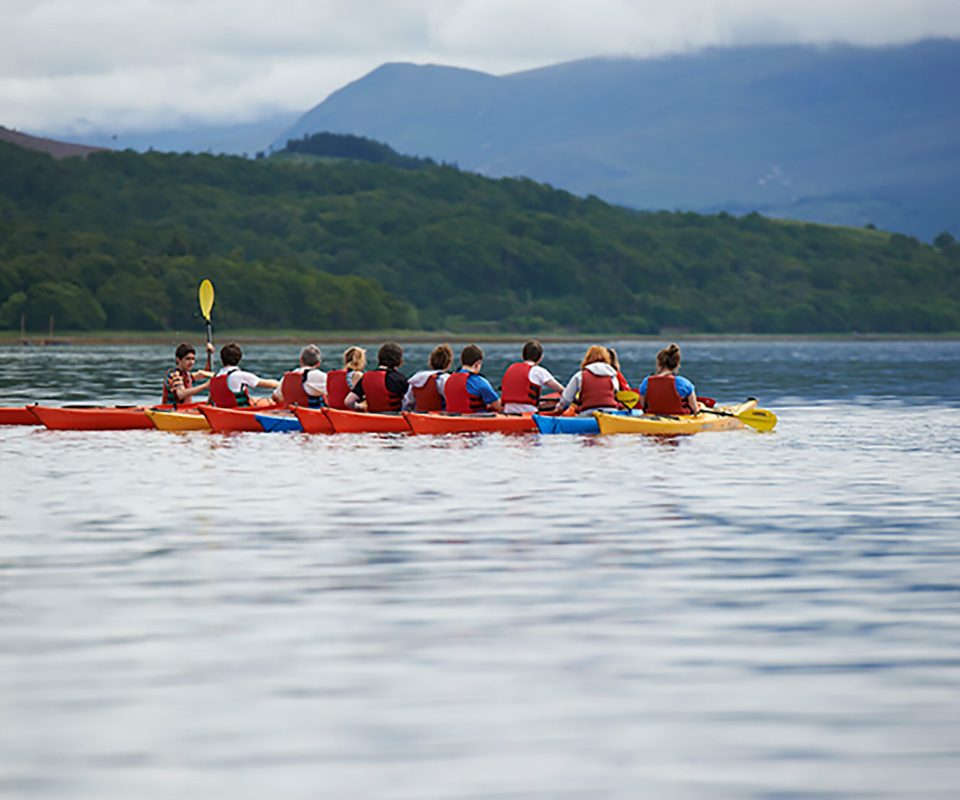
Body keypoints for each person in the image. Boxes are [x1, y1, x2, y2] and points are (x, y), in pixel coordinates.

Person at [500, 339, 565, 415]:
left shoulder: (510, 368)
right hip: (528, 412)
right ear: (540, 358)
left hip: (508, 411)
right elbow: (562, 390)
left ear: (523, 356)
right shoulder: (538, 370)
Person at [208, 342, 280, 408]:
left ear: (222, 358)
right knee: (271, 402)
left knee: (254, 400)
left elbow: (210, 401)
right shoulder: (239, 375)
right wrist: (282, 384)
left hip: (221, 413)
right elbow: (271, 384)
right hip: (239, 412)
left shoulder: (215, 377)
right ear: (239, 358)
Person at [558, 345, 622, 415]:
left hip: (588, 413)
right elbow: (616, 394)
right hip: (611, 413)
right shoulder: (612, 375)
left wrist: (559, 407)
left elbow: (566, 399)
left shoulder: (579, 375)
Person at [638, 343, 700, 415]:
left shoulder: (646, 382)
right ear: (676, 365)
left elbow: (642, 405)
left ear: (658, 363)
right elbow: (695, 409)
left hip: (653, 419)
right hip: (678, 420)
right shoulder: (684, 383)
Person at [345, 342, 408, 412]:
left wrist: (359, 406)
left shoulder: (366, 377)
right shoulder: (400, 379)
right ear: (399, 360)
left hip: (372, 418)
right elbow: (410, 402)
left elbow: (348, 402)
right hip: (395, 419)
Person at [444, 344, 502, 414]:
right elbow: (498, 406)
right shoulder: (480, 381)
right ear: (477, 363)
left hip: (452, 419)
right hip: (474, 420)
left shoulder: (449, 379)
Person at [403, 343, 453, 412]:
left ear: (430, 362)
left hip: (419, 418)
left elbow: (407, 402)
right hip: (439, 418)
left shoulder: (415, 379)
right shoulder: (445, 379)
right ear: (449, 363)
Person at [162, 342, 214, 406]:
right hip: (170, 411)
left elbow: (207, 372)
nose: (191, 362)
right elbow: (181, 394)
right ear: (178, 359)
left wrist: (209, 354)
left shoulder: (187, 375)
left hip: (185, 411)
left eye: (193, 359)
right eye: (188, 359)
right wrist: (205, 386)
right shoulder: (174, 375)